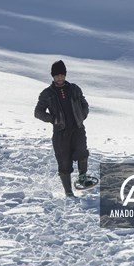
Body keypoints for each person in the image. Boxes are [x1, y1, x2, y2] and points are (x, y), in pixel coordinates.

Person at [34, 60, 96, 197]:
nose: (59, 77)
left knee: (82, 153)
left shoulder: (75, 89)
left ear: (65, 75)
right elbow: (38, 112)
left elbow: (84, 104)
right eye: (57, 75)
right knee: (64, 161)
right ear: (52, 76)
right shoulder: (47, 93)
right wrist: (53, 119)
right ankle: (68, 191)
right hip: (60, 133)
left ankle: (83, 179)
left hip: (77, 128)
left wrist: (82, 115)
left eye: (62, 74)